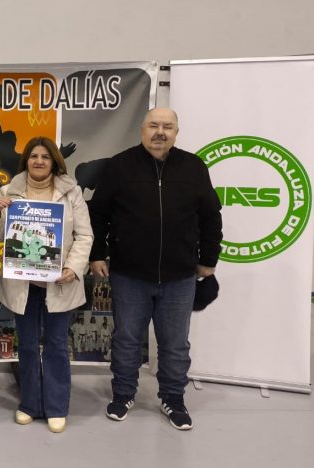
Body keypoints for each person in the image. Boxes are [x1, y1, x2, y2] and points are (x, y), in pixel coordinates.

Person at [88, 108, 222, 430]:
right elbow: (98, 215)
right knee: (126, 340)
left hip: (180, 276)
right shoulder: (119, 166)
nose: (160, 132)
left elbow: (211, 217)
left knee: (175, 344)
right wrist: (97, 254)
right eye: (153, 125)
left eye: (167, 126)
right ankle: (123, 395)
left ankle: (173, 399)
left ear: (176, 132)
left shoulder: (194, 167)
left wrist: (209, 260)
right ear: (142, 129)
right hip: (129, 275)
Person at [0, 136, 93, 433]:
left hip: (59, 282)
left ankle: (57, 406)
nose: (39, 161)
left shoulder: (71, 192)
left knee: (57, 345)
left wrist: (73, 267)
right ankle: (30, 404)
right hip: (24, 283)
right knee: (28, 345)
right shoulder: (9, 191)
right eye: (34, 156)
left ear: (54, 161)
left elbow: (85, 236)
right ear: (26, 160)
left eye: (45, 157)